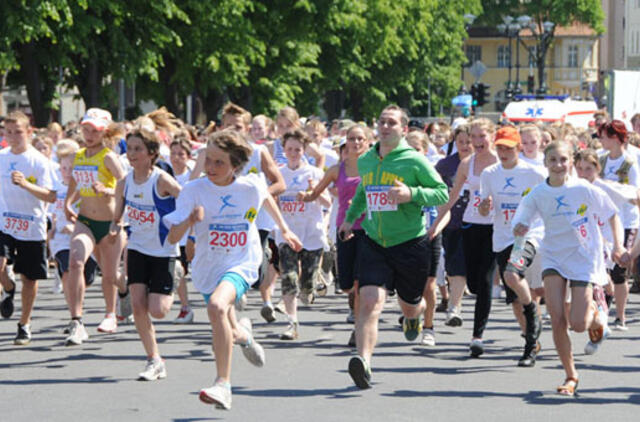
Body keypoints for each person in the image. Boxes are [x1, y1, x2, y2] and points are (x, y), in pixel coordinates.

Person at [165, 130, 302, 410]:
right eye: (208, 160)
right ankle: (244, 335)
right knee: (226, 324)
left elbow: (267, 200)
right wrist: (190, 220)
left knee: (216, 306)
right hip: (207, 266)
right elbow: (172, 238)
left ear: (236, 166)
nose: (211, 168)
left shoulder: (250, 185)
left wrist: (285, 230)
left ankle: (222, 385)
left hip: (241, 261)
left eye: (219, 163)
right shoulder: (194, 190)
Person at [339, 105, 448, 389]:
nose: (385, 127)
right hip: (374, 241)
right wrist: (350, 220)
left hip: (410, 243)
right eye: (382, 122)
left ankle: (415, 316)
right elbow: (364, 191)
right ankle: (363, 361)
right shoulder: (366, 161)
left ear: (404, 128)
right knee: (370, 302)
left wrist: (410, 193)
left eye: (391, 123)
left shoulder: (414, 161)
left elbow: (441, 193)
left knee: (410, 306)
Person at [512, 141, 625, 396]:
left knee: (578, 324)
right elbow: (523, 215)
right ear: (546, 163)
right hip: (553, 257)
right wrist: (520, 226)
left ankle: (596, 315)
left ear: (571, 162)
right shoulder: (539, 192)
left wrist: (617, 245)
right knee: (557, 319)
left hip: (582, 258)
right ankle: (571, 375)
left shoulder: (584, 188)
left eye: (563, 160)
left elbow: (612, 215)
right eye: (553, 160)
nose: (558, 165)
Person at [110, 125, 182, 380]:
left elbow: (184, 197)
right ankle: (154, 359)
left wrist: (180, 223)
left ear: (152, 153)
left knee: (159, 310)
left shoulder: (161, 179)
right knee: (138, 306)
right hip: (138, 248)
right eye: (129, 149)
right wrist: (114, 224)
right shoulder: (125, 182)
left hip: (163, 250)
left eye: (138, 149)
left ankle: (177, 277)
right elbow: (119, 209)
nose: (132, 154)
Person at [477, 126, 546, 366]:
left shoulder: (535, 173)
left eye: (508, 147)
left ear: (519, 148)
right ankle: (531, 338)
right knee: (515, 298)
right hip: (502, 237)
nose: (504, 152)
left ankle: (532, 332)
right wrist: (484, 206)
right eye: (500, 147)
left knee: (512, 274)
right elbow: (483, 208)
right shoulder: (489, 173)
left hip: (528, 235)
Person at [299, 124, 372, 346]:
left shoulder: (375, 168)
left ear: (368, 142)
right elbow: (316, 193)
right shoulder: (336, 170)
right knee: (348, 283)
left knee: (362, 281)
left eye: (360, 139)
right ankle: (355, 309)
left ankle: (358, 329)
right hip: (344, 229)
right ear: (345, 142)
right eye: (352, 139)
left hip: (369, 229)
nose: (356, 143)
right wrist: (306, 195)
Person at [64, 108, 129, 344]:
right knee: (75, 260)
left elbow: (125, 185)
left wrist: (108, 191)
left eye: (95, 131)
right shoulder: (79, 155)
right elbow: (73, 179)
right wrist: (68, 203)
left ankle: (113, 309)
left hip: (110, 223)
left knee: (110, 274)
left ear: (105, 133)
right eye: (86, 130)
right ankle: (77, 321)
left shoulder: (109, 157)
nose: (89, 135)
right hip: (85, 222)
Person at [439, 118, 498, 357]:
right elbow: (451, 198)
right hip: (471, 223)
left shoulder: (500, 163)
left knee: (484, 283)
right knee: (473, 282)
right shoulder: (466, 164)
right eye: (474, 137)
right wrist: (435, 224)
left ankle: (477, 336)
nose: (477, 142)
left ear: (492, 136)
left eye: (482, 136)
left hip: (497, 227)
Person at [0, 111, 56, 344]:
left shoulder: (40, 162)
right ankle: (8, 285)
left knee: (30, 279)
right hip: (4, 222)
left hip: (31, 225)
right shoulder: (1, 157)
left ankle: (24, 323)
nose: (13, 137)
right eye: (8, 132)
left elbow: (52, 196)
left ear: (29, 132)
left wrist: (25, 185)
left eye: (18, 132)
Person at [275, 129, 330, 339]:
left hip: (311, 234)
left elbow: (327, 203)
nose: (293, 153)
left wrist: (314, 192)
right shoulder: (279, 174)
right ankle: (292, 324)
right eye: (289, 149)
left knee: (306, 284)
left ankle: (310, 287)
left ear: (304, 150)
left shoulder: (314, 173)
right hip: (287, 234)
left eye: (297, 149)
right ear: (284, 150)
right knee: (289, 278)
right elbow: (272, 201)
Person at [49, 139, 100, 344]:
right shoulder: (57, 187)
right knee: (69, 272)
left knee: (85, 279)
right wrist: (53, 228)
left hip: (89, 238)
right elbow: (52, 209)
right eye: (63, 168)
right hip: (62, 241)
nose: (67, 172)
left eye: (71, 168)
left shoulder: (88, 187)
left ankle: (121, 291)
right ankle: (76, 321)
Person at [597, 120, 639, 331]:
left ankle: (620, 317)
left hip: (626, 220)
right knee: (602, 267)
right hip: (603, 221)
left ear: (615, 138)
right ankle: (605, 306)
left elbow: (635, 195)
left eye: (603, 136)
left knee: (620, 268)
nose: (600, 140)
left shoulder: (630, 162)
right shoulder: (600, 159)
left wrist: (610, 187)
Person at [432, 125, 473, 327]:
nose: (465, 146)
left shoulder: (486, 164)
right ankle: (454, 305)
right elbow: (435, 190)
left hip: (478, 223)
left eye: (469, 141)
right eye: (461, 142)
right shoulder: (445, 165)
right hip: (452, 221)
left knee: (463, 267)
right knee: (454, 267)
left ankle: (454, 307)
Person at [169, 138, 196, 324]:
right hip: (176, 231)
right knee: (179, 271)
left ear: (188, 157)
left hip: (195, 232)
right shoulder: (165, 176)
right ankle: (185, 308)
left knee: (202, 272)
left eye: (181, 154)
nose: (176, 158)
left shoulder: (193, 178)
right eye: (173, 154)